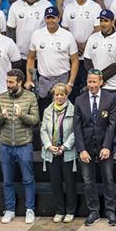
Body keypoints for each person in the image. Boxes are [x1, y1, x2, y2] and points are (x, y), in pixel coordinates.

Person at [0, 69, 40, 224]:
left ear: (20, 82)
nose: (8, 85)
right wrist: (2, 116)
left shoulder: (30, 97)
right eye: (7, 81)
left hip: (24, 144)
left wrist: (22, 116)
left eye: (11, 82)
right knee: (7, 180)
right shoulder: (1, 97)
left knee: (28, 178)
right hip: (5, 144)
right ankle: (10, 209)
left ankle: (30, 209)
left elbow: (35, 120)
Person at [73, 70, 116, 227]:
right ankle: (94, 211)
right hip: (86, 147)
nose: (91, 85)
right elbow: (76, 127)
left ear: (101, 82)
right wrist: (81, 149)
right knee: (88, 181)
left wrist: (107, 146)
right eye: (89, 81)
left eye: (94, 82)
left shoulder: (110, 98)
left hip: (104, 147)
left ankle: (110, 212)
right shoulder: (79, 100)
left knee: (109, 179)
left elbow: (112, 124)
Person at [26, 6, 78, 112]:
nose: (50, 20)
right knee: (44, 111)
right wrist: (29, 79)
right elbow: (31, 58)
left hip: (62, 79)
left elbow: (75, 60)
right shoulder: (37, 34)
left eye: (53, 18)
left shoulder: (67, 36)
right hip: (44, 80)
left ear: (58, 18)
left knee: (62, 112)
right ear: (45, 19)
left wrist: (70, 83)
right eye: (48, 18)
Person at [39, 83, 77, 223]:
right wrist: (49, 146)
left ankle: (70, 210)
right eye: (57, 94)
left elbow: (75, 131)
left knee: (69, 182)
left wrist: (65, 147)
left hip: (67, 152)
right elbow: (43, 130)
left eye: (62, 94)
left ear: (67, 95)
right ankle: (59, 210)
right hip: (52, 152)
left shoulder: (73, 110)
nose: (59, 97)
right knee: (55, 182)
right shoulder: (48, 110)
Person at [60, 0, 100, 101]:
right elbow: (65, 29)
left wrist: (85, 45)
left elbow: (98, 29)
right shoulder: (69, 7)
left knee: (88, 85)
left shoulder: (95, 7)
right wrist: (75, 45)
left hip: (90, 55)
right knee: (73, 86)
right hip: (73, 54)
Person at [83, 10, 116, 107]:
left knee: (114, 120)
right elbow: (87, 60)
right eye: (101, 21)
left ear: (112, 22)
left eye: (106, 21)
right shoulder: (93, 37)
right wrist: (95, 79)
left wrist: (99, 78)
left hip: (114, 87)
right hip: (96, 88)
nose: (103, 24)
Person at [6, 0, 51, 73]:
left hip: (41, 54)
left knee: (39, 83)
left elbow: (50, 30)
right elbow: (10, 31)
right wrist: (13, 52)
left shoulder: (47, 5)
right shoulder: (15, 6)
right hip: (20, 55)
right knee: (21, 84)